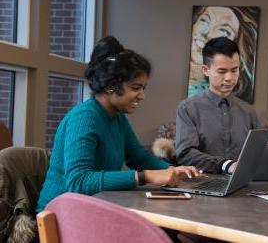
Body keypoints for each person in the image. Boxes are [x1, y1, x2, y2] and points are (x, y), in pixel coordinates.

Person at [36, 36, 199, 212]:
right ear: (111, 86)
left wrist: (173, 170)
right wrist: (146, 177)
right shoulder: (84, 118)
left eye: (144, 88)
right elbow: (79, 181)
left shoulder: (117, 117)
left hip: (87, 211)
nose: (142, 96)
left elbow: (138, 157)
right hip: (59, 218)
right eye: (136, 88)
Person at [176, 36, 260, 174]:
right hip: (203, 184)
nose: (229, 78)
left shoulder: (248, 111)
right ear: (206, 70)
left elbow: (259, 151)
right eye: (222, 71)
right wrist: (226, 165)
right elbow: (185, 154)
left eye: (234, 70)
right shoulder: (187, 108)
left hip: (243, 183)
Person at [188, 6, 260, 103]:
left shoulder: (247, 112)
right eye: (204, 21)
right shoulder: (187, 108)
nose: (208, 34)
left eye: (223, 31)